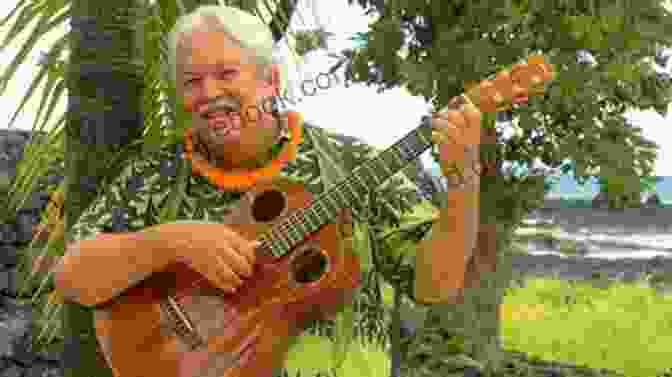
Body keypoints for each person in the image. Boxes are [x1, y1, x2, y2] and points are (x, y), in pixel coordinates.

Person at [52, 5, 482, 375]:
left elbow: (434, 285)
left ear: (270, 80)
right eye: (191, 81)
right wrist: (169, 242)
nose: (209, 94)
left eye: (226, 74)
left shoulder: (353, 164)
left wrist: (463, 180)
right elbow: (74, 276)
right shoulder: (156, 174)